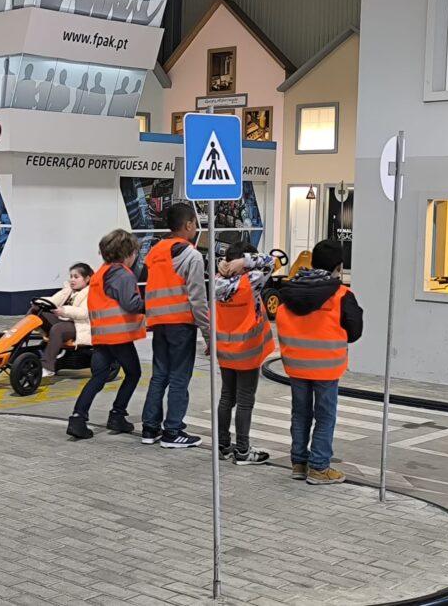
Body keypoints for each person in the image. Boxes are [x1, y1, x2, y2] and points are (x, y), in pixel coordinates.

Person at [276, 239, 363, 485]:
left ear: (312, 262)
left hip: (296, 364)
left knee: (300, 413)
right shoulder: (342, 295)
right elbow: (355, 331)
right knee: (324, 416)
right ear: (339, 267)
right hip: (326, 367)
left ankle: (298, 463)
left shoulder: (289, 291)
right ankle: (319, 467)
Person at [140, 203, 209, 448]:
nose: (196, 229)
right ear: (188, 225)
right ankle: (173, 431)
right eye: (195, 224)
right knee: (180, 377)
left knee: (159, 375)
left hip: (158, 323)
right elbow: (198, 299)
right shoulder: (192, 256)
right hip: (181, 324)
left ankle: (150, 428)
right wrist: (209, 335)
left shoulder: (155, 251)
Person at [67, 230, 145, 440]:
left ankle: (77, 418)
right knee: (134, 373)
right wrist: (150, 304)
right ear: (127, 253)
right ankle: (117, 414)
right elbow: (131, 303)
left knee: (99, 377)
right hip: (118, 336)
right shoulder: (123, 275)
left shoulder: (101, 273)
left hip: (101, 334)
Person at [214, 241, 275, 465]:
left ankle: (222, 445)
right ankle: (242, 450)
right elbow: (271, 261)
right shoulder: (252, 280)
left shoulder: (218, 282)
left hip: (225, 349)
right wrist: (245, 261)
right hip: (247, 351)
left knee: (226, 397)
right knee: (245, 400)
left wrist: (225, 263)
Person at [32, 263, 93, 377]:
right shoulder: (68, 290)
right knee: (35, 311)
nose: (72, 280)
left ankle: (48, 367)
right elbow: (53, 300)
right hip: (64, 320)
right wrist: (39, 302)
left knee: (58, 329)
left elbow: (84, 313)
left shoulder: (91, 293)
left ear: (87, 279)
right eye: (71, 276)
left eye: (76, 277)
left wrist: (64, 310)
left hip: (79, 326)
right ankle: (16, 336)